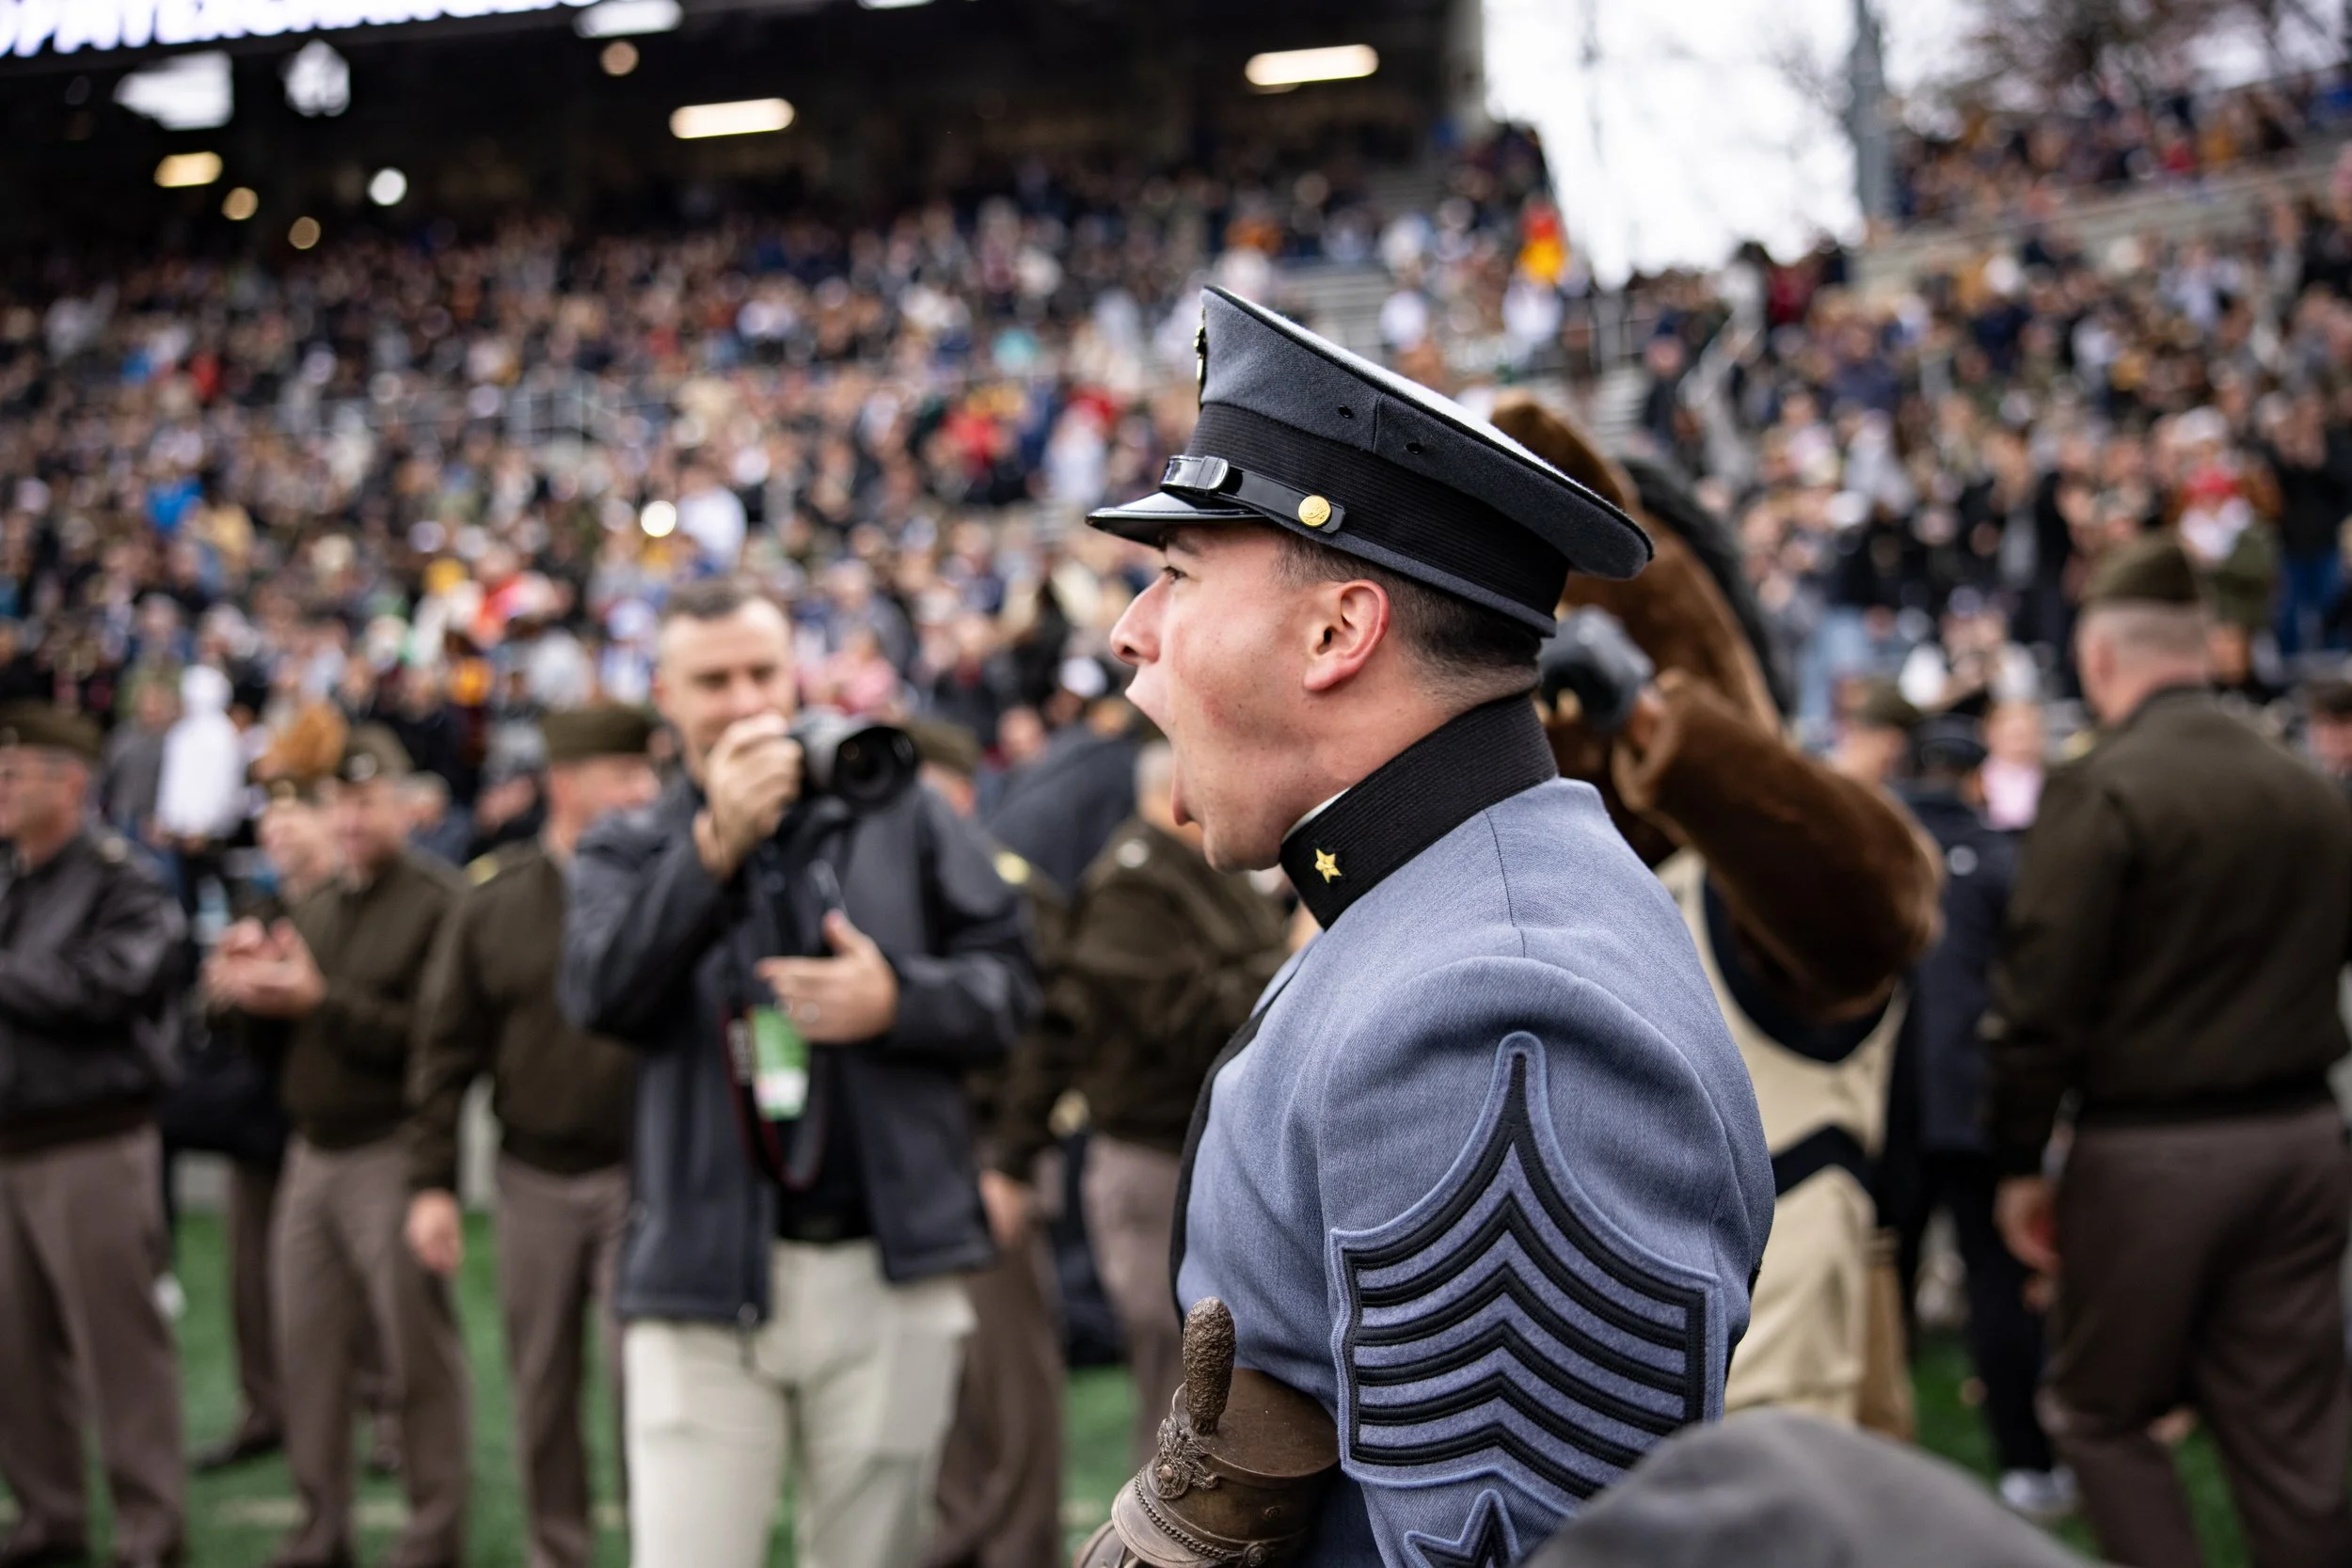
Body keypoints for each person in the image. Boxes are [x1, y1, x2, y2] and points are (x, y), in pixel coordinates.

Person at [1079, 286, 1772, 1563]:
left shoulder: (1494, 1007)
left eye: (1177, 573)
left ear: (1339, 629)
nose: (1132, 629)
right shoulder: (1438, 909)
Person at [559, 579, 1037, 1568]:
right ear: (665, 694)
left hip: (887, 1267)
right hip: (701, 1280)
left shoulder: (895, 807)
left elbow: (1013, 983)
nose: (744, 701)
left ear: (798, 673)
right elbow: (600, 996)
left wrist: (897, 999)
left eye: (762, 672)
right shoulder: (630, 842)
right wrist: (712, 852)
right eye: (712, 679)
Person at [1489, 395, 1939, 1433]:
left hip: (1761, 1374)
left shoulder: (1748, 871)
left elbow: (1882, 901)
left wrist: (1652, 721)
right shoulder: (1517, 889)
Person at [1989, 534, 2352, 1568]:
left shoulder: (2102, 786)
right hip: (2301, 1142)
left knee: (2100, 1412)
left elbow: (2038, 1001)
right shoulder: (2304, 785)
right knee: (2290, 1437)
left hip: (2154, 1154)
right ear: (2208, 648)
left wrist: (2018, 1161)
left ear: (2099, 658)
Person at [209, 725, 471, 1568]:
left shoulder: (439, 902)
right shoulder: (315, 906)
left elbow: (432, 1042)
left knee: (414, 1354)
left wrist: (320, 1000)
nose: (353, 819)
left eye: (368, 801)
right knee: (309, 1352)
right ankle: (320, 1526)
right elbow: (271, 1051)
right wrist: (245, 990)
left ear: (406, 807)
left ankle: (434, 1530)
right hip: (310, 1153)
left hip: (390, 1148)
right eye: (341, 802)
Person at [405, 705, 659, 1568]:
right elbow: (444, 1051)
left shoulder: (665, 887)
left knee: (652, 1390)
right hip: (535, 1176)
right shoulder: (497, 900)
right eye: (622, 772)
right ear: (564, 781)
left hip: (645, 1178)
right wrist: (433, 1182)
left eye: (645, 770)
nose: (644, 790)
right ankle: (560, 1550)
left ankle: (663, 1545)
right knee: (542, 1383)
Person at [993, 736, 1290, 1468]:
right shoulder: (1132, 884)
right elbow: (1187, 1020)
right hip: (1155, 1164)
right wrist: (1291, 962)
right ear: (1178, 788)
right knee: (1181, 1394)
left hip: (1207, 1158)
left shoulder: (1197, 871)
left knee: (1217, 1395)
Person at [0, 704, 187, 1568]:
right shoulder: (13, 877)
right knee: (15, 1350)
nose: (2, 788)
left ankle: (150, 1528)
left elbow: (116, 985)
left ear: (71, 782)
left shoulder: (123, 879)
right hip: (12, 1142)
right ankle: (50, 1514)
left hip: (91, 1141)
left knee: (119, 1349)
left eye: (17, 773)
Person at [1890, 717, 2068, 1520]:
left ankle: (1869, 1458)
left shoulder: (1873, 847)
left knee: (1876, 1287)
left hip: (1884, 1106)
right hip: (1974, 1101)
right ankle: (2028, 1465)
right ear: (1972, 779)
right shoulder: (2001, 859)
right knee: (1996, 1285)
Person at [902, 718, 1068, 1568]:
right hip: (916, 1160)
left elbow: (1043, 1042)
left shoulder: (1008, 889)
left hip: (986, 1154)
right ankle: (960, 1539)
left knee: (1010, 1379)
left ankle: (1021, 1546)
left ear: (962, 793)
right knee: (935, 1379)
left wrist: (1008, 1164)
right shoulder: (894, 885)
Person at [187, 706, 348, 1476]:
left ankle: (379, 1412)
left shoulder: (355, 898)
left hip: (342, 1118)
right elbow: (214, 1014)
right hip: (261, 1119)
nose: (278, 830)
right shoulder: (262, 904)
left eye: (294, 812)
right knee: (252, 1280)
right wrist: (225, 983)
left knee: (360, 1283)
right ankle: (266, 1408)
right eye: (272, 814)